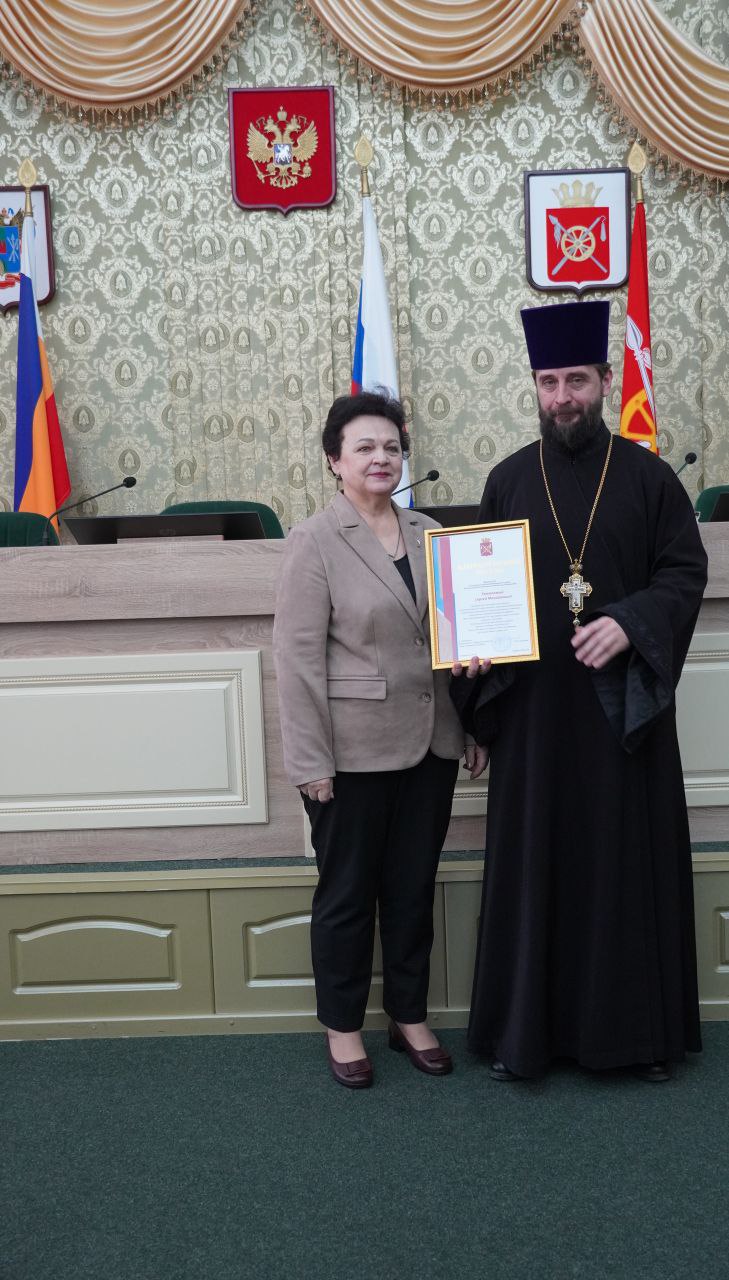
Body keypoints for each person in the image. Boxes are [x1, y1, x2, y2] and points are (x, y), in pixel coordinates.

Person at [455, 299, 708, 1083]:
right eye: (548, 382)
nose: (562, 397)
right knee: (536, 867)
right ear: (534, 387)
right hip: (533, 715)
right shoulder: (506, 481)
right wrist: (472, 665)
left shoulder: (650, 478)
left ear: (605, 381)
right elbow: (477, 595)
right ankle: (524, 1038)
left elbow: (684, 574)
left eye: (576, 380)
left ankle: (636, 1039)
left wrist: (629, 623)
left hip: (621, 713)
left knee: (621, 868)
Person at [273, 390, 482, 1089]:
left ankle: (408, 1016)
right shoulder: (314, 540)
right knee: (347, 897)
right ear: (335, 460)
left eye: (391, 446)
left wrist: (471, 723)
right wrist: (310, 761)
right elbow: (297, 659)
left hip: (433, 742)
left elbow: (453, 641)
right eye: (364, 446)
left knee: (411, 890)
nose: (380, 457)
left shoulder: (431, 533)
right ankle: (342, 1028)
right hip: (349, 753)